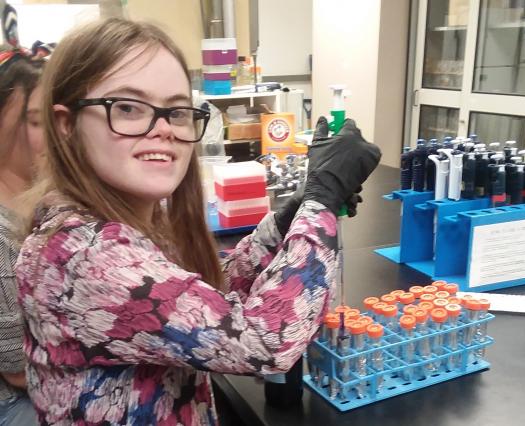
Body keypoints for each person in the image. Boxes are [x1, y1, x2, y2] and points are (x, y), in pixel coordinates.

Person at [15, 18, 380, 425]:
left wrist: (288, 216)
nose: (163, 130)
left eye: (176, 111)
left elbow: (204, 293)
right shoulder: (85, 255)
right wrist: (322, 198)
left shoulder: (123, 221)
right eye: (129, 108)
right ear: (66, 126)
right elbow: (265, 341)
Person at [0, 46, 44, 425]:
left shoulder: (43, 200)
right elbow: (15, 370)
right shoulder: (2, 232)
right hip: (15, 402)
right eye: (34, 121)